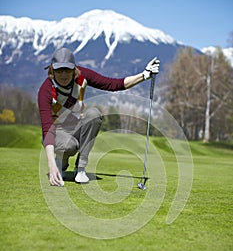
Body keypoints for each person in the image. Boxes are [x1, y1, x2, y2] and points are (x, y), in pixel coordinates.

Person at [38, 47, 160, 186]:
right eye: (59, 70)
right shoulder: (46, 90)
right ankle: (61, 161)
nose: (64, 74)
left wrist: (144, 75)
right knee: (70, 145)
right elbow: (47, 129)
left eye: (68, 70)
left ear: (74, 70)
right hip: (56, 132)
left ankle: (81, 169)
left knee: (93, 114)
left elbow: (113, 84)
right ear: (52, 71)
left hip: (76, 127)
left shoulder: (82, 76)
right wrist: (51, 165)